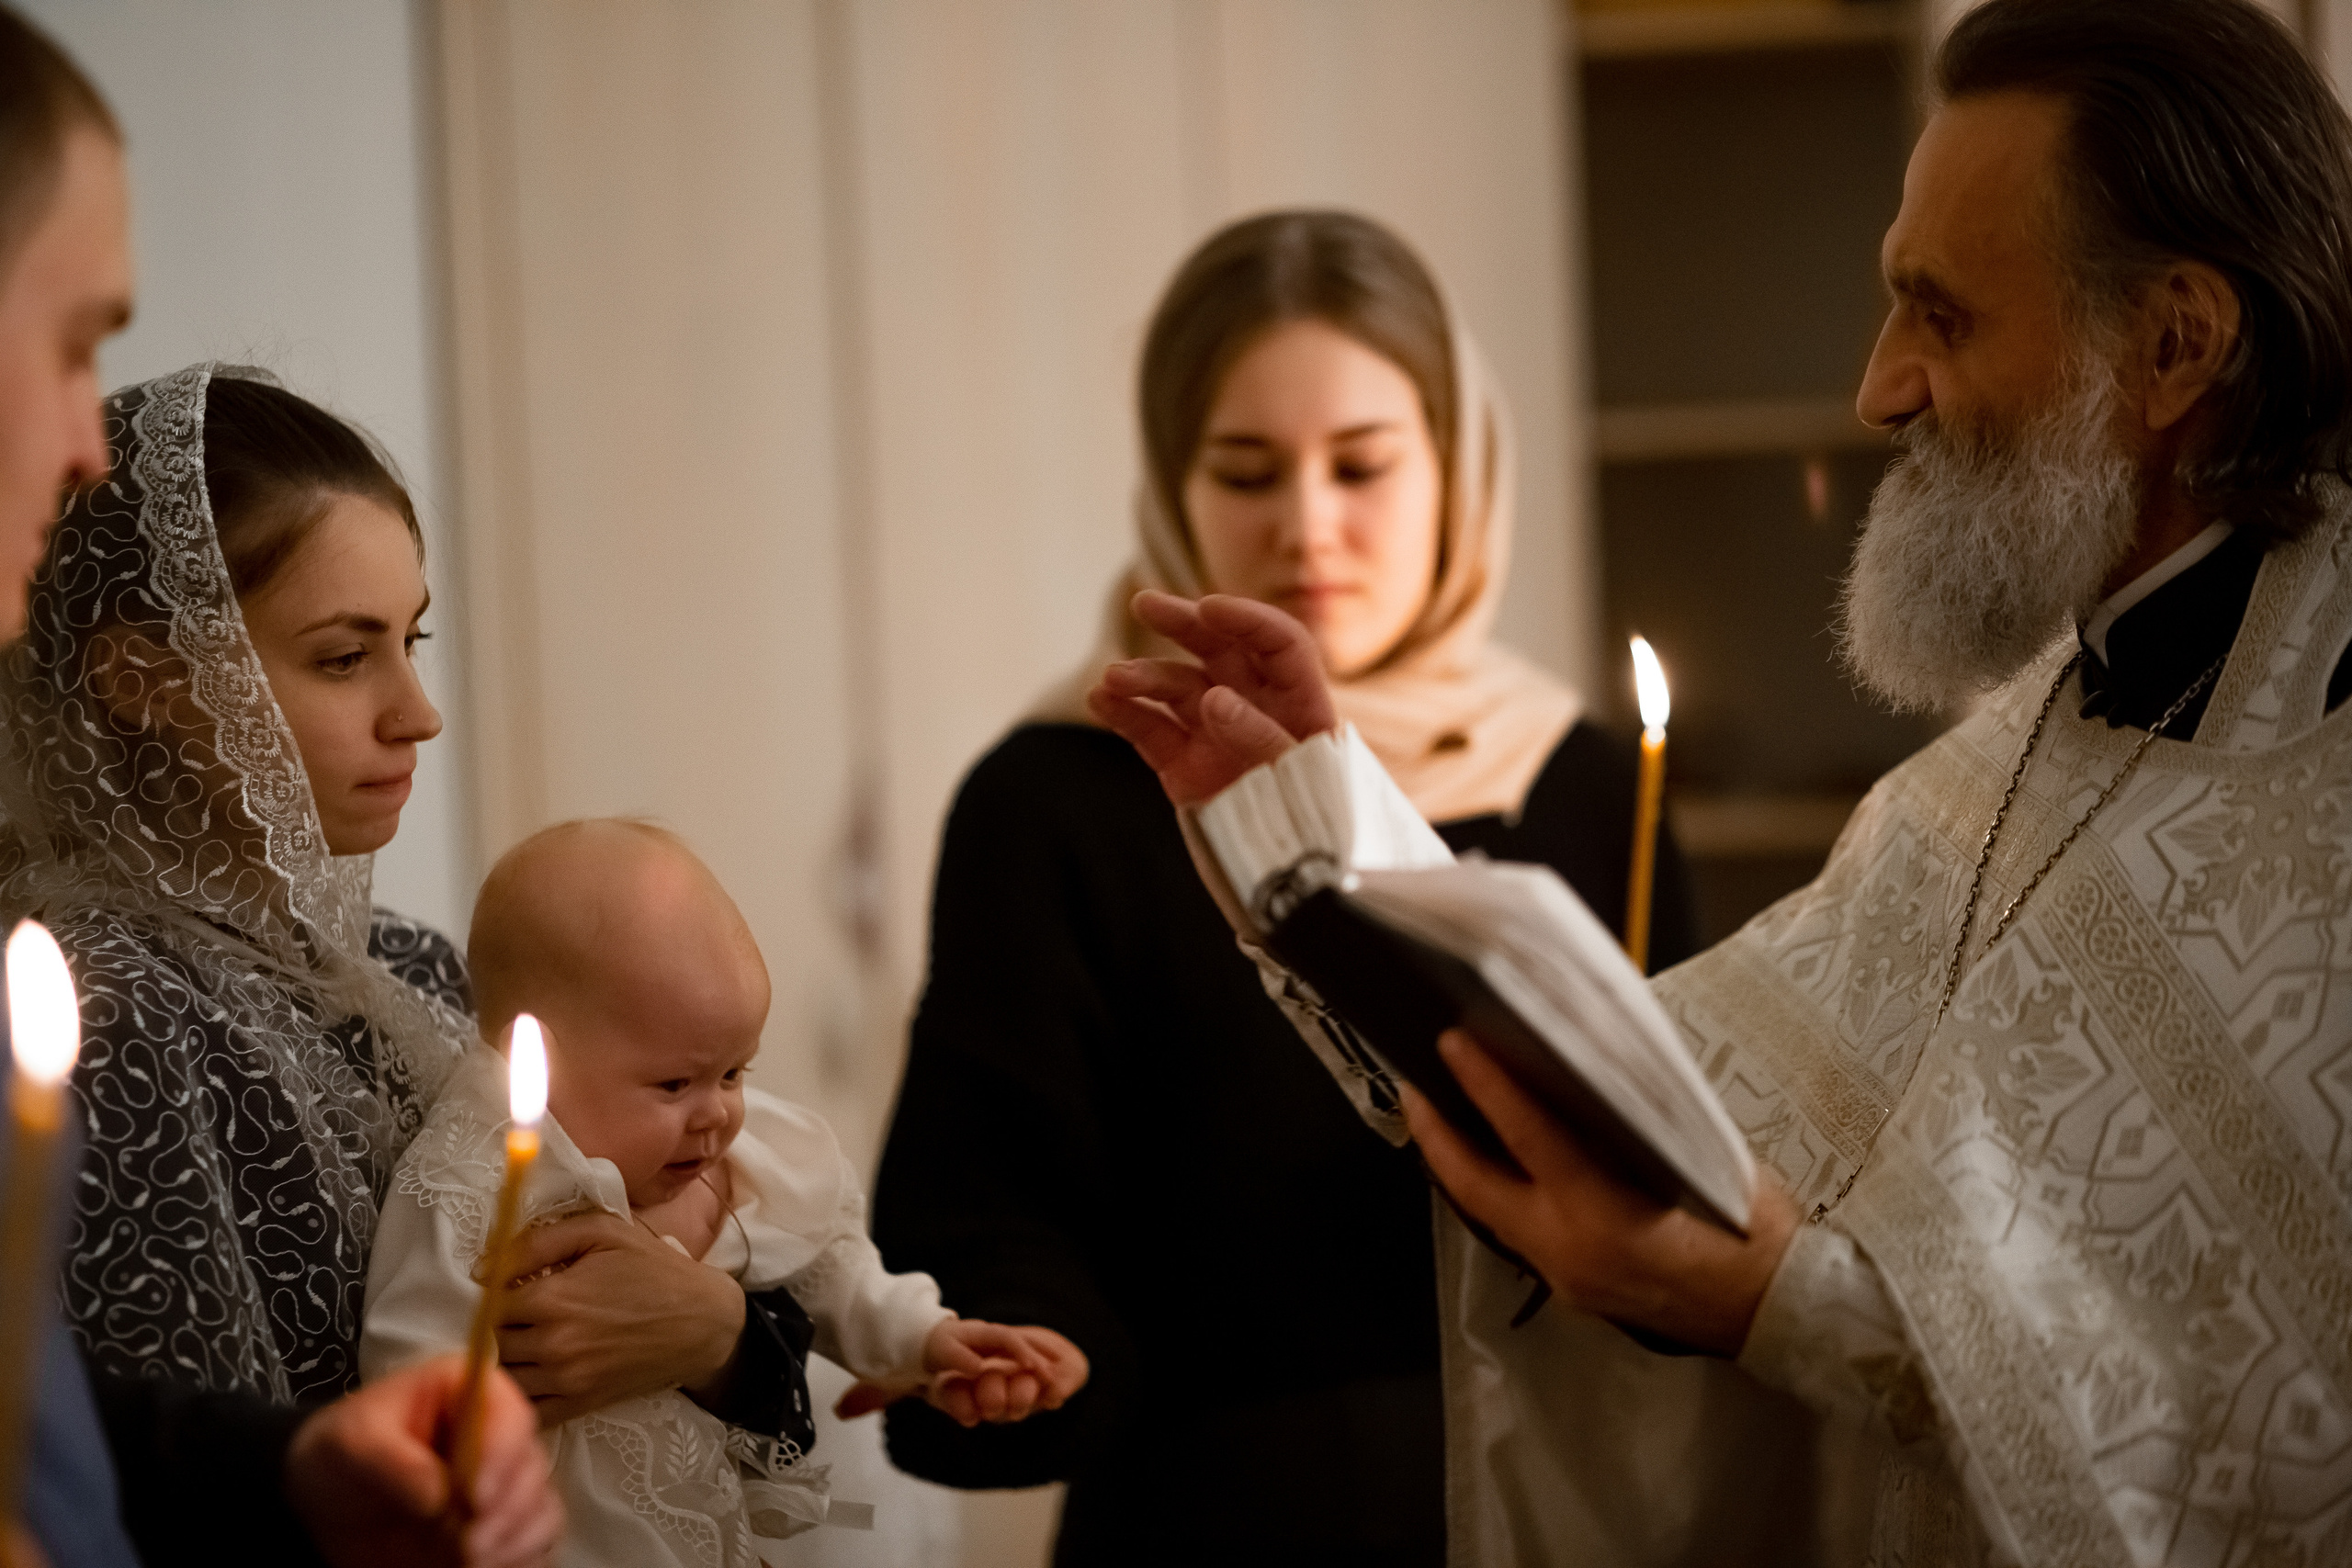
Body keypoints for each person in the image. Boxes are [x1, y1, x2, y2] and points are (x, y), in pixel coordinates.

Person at [1093, 2, 2352, 1562]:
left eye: (1939, 315)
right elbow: (1676, 1090)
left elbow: (2261, 1440)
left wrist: (1769, 1298)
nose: (1879, 388)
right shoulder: (2006, 751)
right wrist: (1322, 824)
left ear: (2175, 344)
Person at [873, 209, 1700, 1564]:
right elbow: (988, 1203)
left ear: (1458, 464)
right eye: (1247, 470)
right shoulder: (1063, 795)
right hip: (1218, 1516)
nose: (1309, 526)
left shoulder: (1590, 782)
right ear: (1170, 485)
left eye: (1362, 465)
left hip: (1571, 1505)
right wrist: (1012, 1349)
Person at [0, 9, 557, 1566]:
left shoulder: (412, 970)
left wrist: (707, 1320)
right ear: (141, 679)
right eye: (339, 656)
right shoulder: (101, 997)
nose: (420, 710)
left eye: (414, 642)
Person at [362, 820, 1088, 1567]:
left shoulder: (740, 1158)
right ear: (533, 1057)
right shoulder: (475, 1185)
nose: (717, 1113)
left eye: (736, 1072)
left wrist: (928, 1339)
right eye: (674, 1083)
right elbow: (415, 1364)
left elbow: (835, 1271)